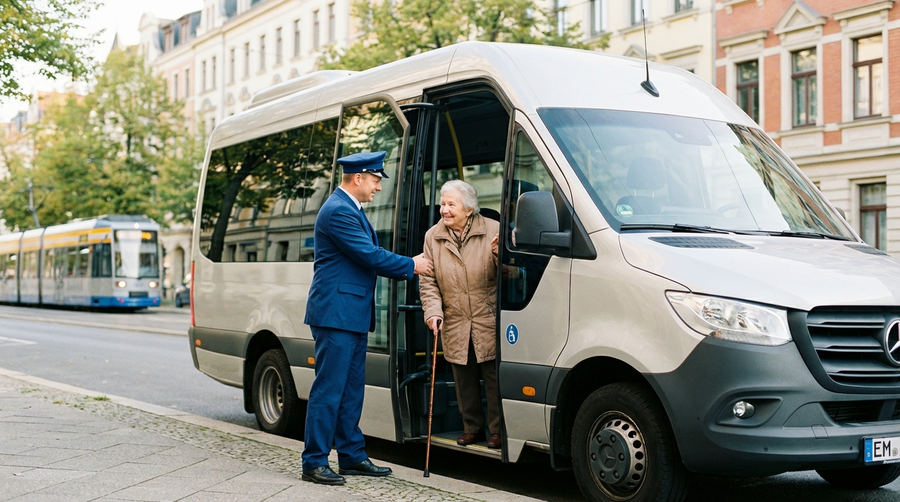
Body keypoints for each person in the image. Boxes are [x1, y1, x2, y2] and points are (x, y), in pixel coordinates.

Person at [301, 151, 433, 485]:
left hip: (351, 314)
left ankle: (351, 456)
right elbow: (368, 255)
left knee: (350, 391)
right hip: (336, 315)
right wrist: (411, 264)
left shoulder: (351, 209)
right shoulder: (338, 211)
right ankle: (314, 462)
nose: (378, 187)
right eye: (375, 180)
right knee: (329, 390)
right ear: (358, 178)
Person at [419, 179, 503, 449]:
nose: (444, 210)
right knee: (463, 381)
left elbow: (514, 275)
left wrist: (501, 257)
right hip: (455, 320)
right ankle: (472, 428)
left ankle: (497, 431)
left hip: (487, 318)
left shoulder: (493, 229)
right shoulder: (433, 236)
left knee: (493, 379)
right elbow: (428, 280)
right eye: (442, 204)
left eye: (451, 204)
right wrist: (433, 312)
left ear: (468, 209)